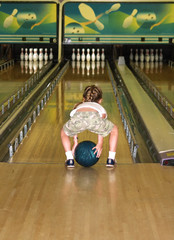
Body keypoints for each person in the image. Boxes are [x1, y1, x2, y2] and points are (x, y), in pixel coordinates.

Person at [61, 85, 118, 168]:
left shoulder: (78, 106)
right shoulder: (100, 108)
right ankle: (111, 159)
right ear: (100, 100)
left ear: (83, 99)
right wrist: (100, 143)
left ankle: (69, 159)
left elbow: (74, 122)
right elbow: (101, 126)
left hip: (77, 119)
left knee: (63, 132)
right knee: (114, 130)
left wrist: (75, 142)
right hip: (94, 120)